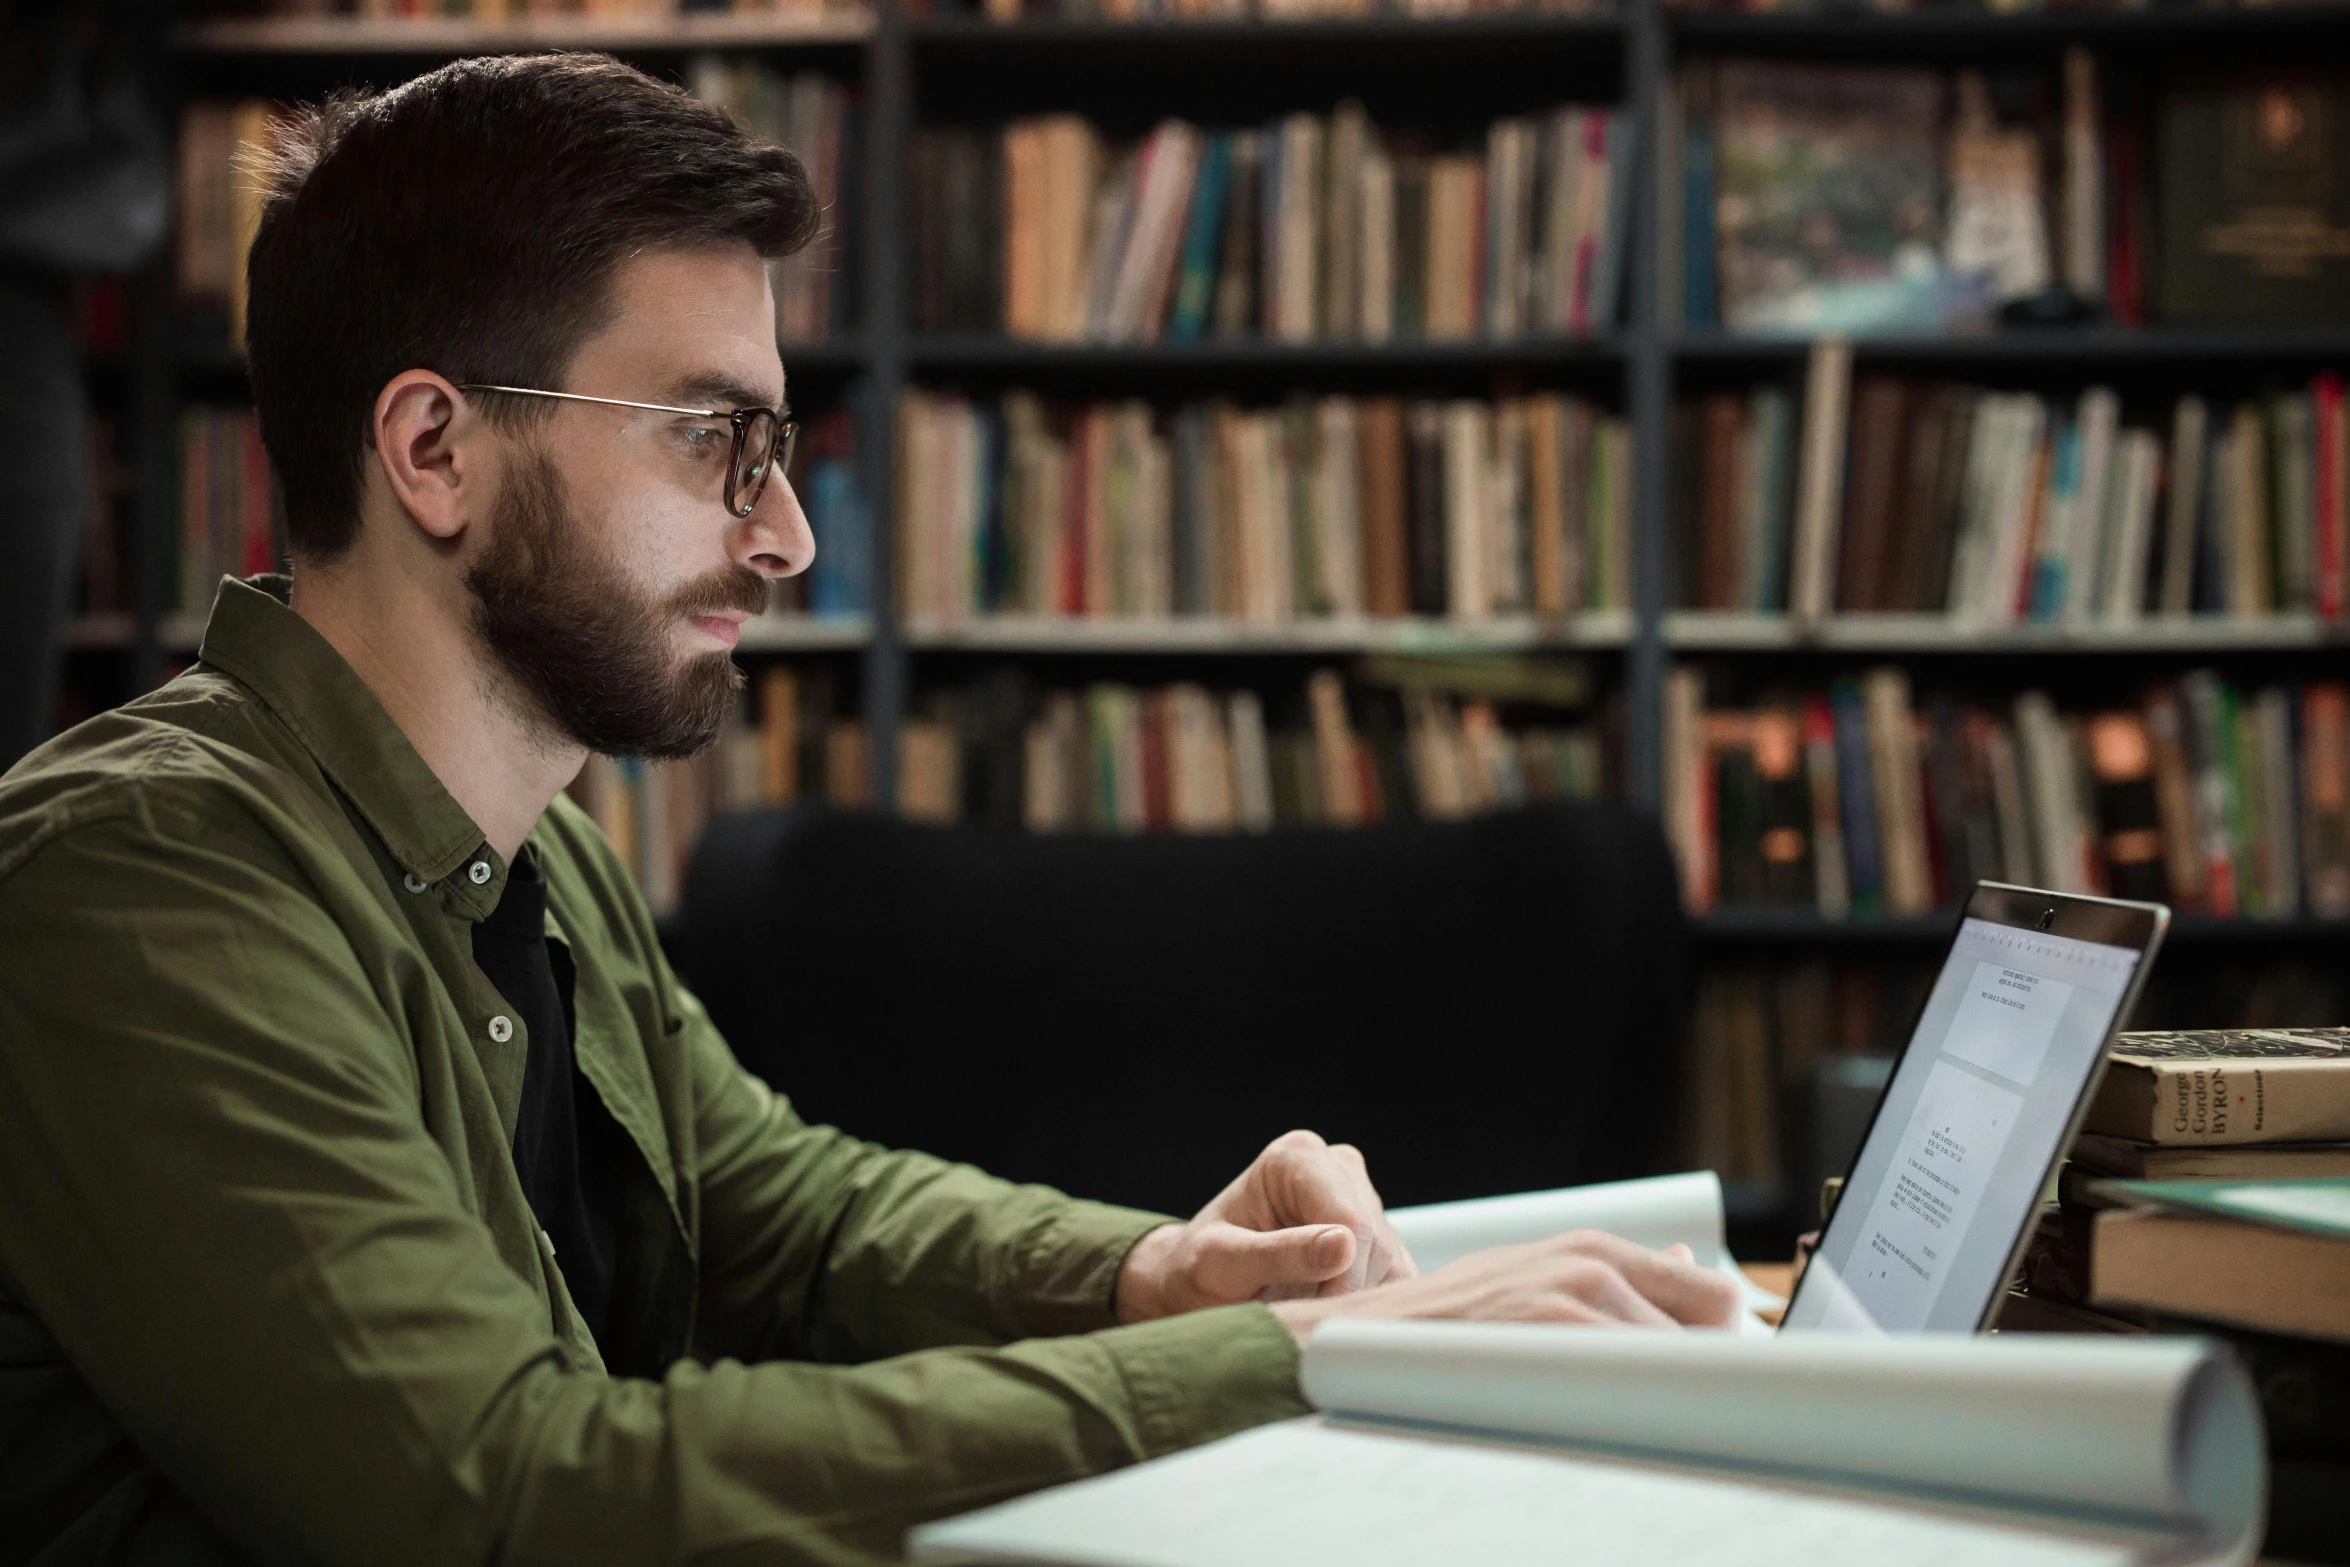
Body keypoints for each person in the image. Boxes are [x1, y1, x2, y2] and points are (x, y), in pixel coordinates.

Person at [0, 53, 1738, 1567]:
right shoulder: (136, 885)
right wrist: (1319, 1361)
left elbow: (789, 1216)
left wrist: (1162, 1272)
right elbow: (505, 1497)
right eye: (710, 442)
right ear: (434, 449)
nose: (786, 540)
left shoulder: (539, 860)